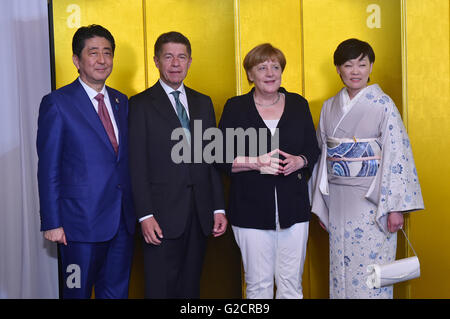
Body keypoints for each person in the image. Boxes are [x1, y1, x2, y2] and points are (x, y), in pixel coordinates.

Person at [310, 38, 424, 299]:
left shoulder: (383, 105)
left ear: (371, 67)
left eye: (362, 64)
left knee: (373, 271)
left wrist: (395, 207)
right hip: (339, 199)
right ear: (338, 69)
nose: (355, 71)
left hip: (374, 202)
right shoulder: (329, 107)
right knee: (341, 268)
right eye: (348, 65)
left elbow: (397, 155)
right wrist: (322, 204)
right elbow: (322, 155)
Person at [37, 24, 136, 299]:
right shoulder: (57, 103)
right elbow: (48, 169)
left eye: (107, 53)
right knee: (76, 293)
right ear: (76, 60)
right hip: (78, 227)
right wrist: (52, 222)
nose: (102, 60)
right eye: (93, 53)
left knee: (116, 294)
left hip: (120, 224)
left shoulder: (120, 101)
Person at [128, 31, 227, 298]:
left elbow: (211, 159)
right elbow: (136, 165)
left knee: (190, 288)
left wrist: (217, 207)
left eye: (181, 57)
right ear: (156, 61)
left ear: (190, 61)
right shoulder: (139, 105)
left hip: (199, 213)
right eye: (168, 57)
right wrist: (145, 215)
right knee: (160, 289)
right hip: (160, 216)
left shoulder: (203, 103)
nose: (175, 63)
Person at [216, 43, 320, 299]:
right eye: (262, 67)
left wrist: (301, 160)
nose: (270, 73)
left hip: (294, 210)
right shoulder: (235, 107)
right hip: (250, 210)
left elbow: (313, 149)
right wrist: (255, 162)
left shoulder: (298, 104)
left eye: (275, 67)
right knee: (258, 286)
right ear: (250, 74)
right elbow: (218, 156)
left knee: (291, 285)